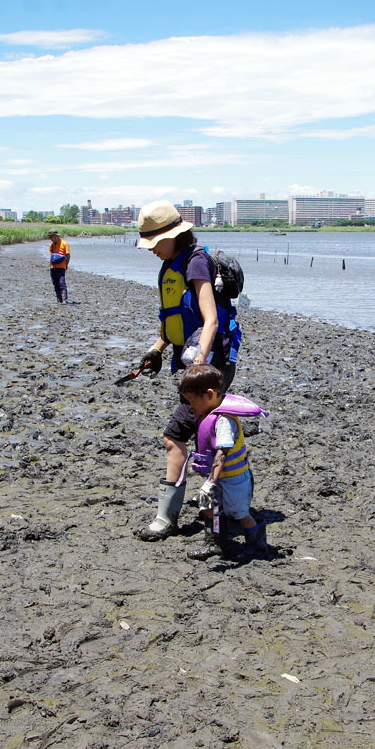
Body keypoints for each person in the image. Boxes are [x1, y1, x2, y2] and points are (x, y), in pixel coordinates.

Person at [133, 201, 243, 542]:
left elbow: (209, 318)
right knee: (204, 437)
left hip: (211, 367)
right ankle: (225, 507)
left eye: (154, 243)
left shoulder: (196, 262)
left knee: (175, 436)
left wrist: (199, 365)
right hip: (191, 365)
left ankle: (166, 518)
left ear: (173, 236)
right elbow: (173, 321)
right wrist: (156, 350)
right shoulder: (169, 266)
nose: (151, 250)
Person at [177, 364, 271, 560]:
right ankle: (216, 543)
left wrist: (210, 483)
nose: (191, 407)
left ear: (209, 394)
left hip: (234, 480)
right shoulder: (207, 412)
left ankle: (257, 546)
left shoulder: (223, 421)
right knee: (211, 509)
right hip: (218, 478)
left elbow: (222, 454)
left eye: (193, 401)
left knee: (240, 514)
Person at [47, 229, 70, 304]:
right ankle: (59, 299)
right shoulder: (52, 245)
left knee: (61, 283)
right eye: (50, 237)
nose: (51, 239)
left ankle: (64, 300)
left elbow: (68, 255)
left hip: (61, 267)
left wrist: (66, 265)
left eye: (52, 237)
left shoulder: (64, 244)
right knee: (55, 283)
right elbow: (51, 256)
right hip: (53, 267)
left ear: (56, 236)